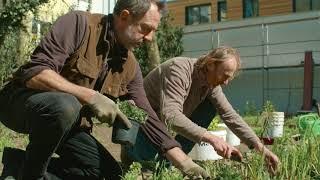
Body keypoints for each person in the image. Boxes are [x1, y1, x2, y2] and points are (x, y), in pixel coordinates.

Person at [0, 0, 210, 179]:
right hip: (20, 103)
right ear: (125, 16)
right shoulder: (79, 24)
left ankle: (17, 166)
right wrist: (89, 96)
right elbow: (35, 73)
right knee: (65, 104)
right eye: (146, 28)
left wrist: (184, 162)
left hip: (67, 122)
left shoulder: (130, 66)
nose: (150, 38)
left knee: (108, 174)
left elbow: (148, 117)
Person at [123, 46, 280, 174]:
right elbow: (170, 115)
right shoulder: (179, 70)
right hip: (138, 124)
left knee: (210, 107)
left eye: (229, 78)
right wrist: (213, 139)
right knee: (145, 170)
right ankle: (135, 154)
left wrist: (262, 149)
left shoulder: (211, 83)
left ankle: (167, 163)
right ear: (211, 64)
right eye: (225, 76)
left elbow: (230, 116)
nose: (226, 83)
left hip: (159, 127)